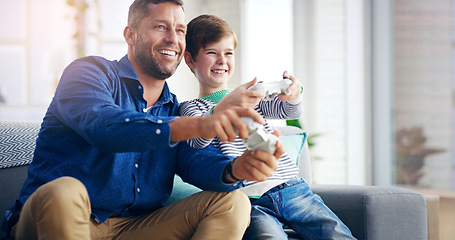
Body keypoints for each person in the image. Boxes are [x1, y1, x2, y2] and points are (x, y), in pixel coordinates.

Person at [1, 1, 286, 239]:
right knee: (65, 190)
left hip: (134, 228)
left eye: (180, 30)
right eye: (160, 27)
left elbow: (197, 162)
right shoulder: (88, 73)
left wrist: (237, 169)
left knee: (231, 201)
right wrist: (203, 123)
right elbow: (105, 126)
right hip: (55, 220)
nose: (173, 39)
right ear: (131, 34)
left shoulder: (176, 109)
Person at [180, 14, 356, 239]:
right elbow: (197, 140)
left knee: (335, 233)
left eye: (228, 53)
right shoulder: (192, 108)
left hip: (291, 187)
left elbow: (289, 111)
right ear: (190, 60)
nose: (222, 60)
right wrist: (220, 110)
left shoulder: (251, 95)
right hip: (249, 199)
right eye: (212, 52)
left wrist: (293, 93)